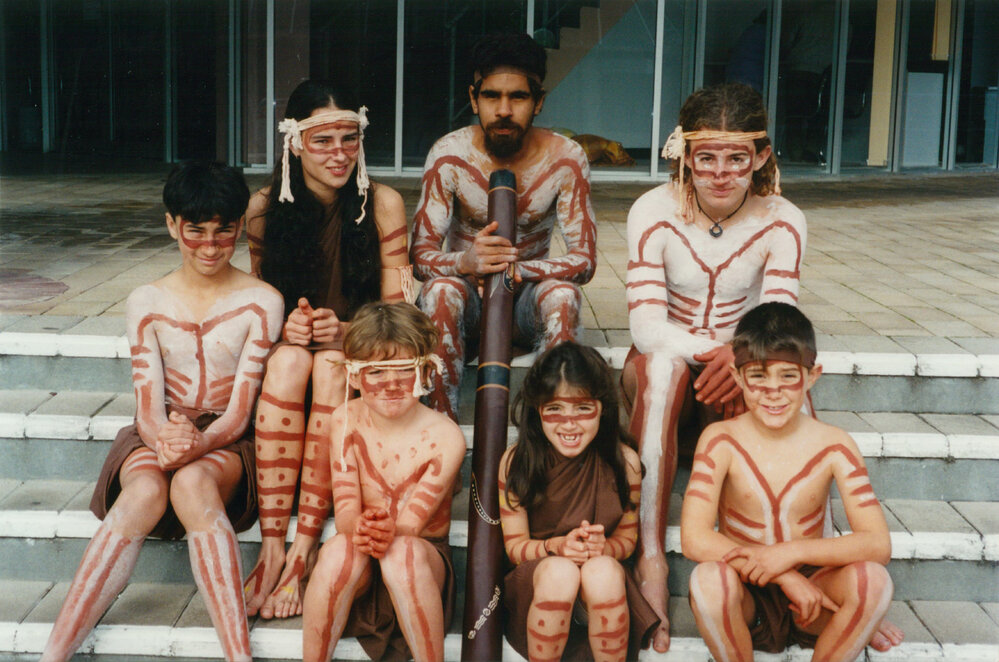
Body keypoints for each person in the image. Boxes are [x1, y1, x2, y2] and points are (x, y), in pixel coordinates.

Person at [41, 162, 284, 662]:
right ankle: (54, 655)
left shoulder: (263, 300)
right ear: (172, 224)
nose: (211, 246)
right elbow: (147, 407)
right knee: (146, 488)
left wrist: (199, 443)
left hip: (224, 437)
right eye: (196, 231)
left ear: (240, 225)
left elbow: (240, 413)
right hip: (156, 432)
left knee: (193, 483)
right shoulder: (146, 299)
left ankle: (239, 656)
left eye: (224, 231)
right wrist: (167, 439)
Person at [621, 81, 805, 652]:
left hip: (740, 362)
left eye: (736, 159)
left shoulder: (784, 218)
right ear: (683, 154)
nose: (721, 174)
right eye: (706, 159)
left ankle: (811, 558)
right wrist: (722, 349)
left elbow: (779, 316)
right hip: (670, 358)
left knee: (785, 381)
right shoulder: (652, 210)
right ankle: (647, 555)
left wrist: (743, 355)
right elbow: (647, 329)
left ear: (762, 156)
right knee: (662, 371)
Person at [242, 79, 411, 620]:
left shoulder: (382, 203)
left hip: (358, 356)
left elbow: (400, 318)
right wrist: (286, 328)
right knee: (292, 360)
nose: (339, 153)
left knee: (333, 365)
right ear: (294, 143)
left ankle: (304, 546)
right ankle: (273, 547)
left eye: (349, 138)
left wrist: (346, 331)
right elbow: (260, 306)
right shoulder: (264, 207)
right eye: (323, 141)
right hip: (294, 363)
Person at [680, 302, 895, 660]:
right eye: (759, 376)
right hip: (746, 592)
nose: (773, 390)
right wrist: (782, 574)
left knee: (873, 582)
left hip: (815, 593)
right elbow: (694, 538)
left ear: (812, 376)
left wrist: (792, 555)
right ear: (736, 377)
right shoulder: (720, 441)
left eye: (788, 376)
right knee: (707, 581)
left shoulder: (835, 444)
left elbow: (877, 544)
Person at [410, 32, 598, 420]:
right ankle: (438, 431)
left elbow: (585, 260)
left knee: (563, 297)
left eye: (519, 97)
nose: (504, 110)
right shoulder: (449, 155)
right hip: (469, 301)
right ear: (473, 98)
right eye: (492, 96)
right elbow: (419, 257)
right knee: (441, 291)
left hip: (526, 304)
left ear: (539, 101)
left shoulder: (565, 158)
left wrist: (520, 270)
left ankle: (548, 438)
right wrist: (467, 262)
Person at [302, 302, 465, 662]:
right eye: (375, 371)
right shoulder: (345, 419)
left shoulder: (446, 437)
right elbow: (345, 509)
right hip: (360, 556)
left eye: (404, 370)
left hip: (418, 560)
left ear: (425, 371)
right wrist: (357, 525)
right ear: (354, 377)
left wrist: (384, 531)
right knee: (339, 552)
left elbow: (411, 526)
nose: (391, 384)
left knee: (401, 555)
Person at [499, 342, 660, 662]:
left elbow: (627, 541)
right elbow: (515, 547)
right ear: (537, 410)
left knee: (602, 571)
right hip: (538, 579)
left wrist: (603, 548)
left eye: (582, 408)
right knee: (561, 573)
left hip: (601, 584)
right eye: (554, 409)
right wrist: (556, 547)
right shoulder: (517, 462)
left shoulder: (623, 461)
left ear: (602, 407)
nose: (569, 423)